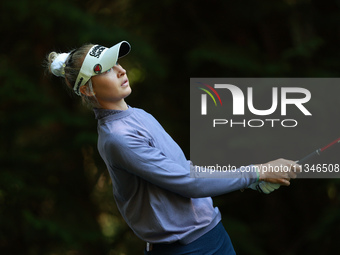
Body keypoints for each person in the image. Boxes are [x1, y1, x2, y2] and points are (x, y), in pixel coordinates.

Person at [46, 41, 300, 254]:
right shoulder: (118, 138)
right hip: (186, 249)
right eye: (108, 69)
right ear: (86, 89)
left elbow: (184, 169)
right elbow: (187, 181)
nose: (122, 71)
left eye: (119, 64)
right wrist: (255, 172)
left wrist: (254, 179)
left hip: (211, 234)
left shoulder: (138, 115)